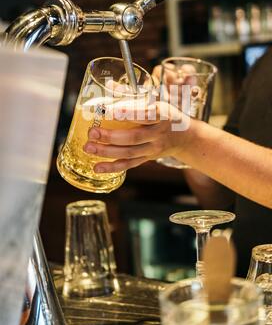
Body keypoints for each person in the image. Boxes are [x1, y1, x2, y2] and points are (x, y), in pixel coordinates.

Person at [84, 49, 272, 276]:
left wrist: (188, 139)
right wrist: (183, 123)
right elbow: (220, 198)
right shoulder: (265, 61)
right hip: (249, 288)